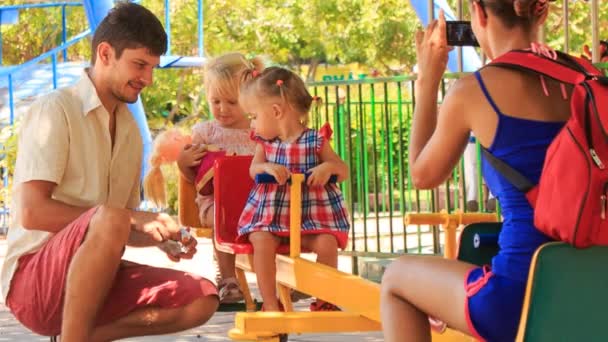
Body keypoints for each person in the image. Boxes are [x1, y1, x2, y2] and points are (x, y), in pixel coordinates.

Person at [0, 3, 219, 341]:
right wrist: (130, 218)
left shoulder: (131, 130)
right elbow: (31, 212)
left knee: (202, 297)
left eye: (153, 68)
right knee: (113, 216)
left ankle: (79, 335)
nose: (148, 79)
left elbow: (115, 230)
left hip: (97, 282)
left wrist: (161, 238)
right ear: (105, 53)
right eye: (139, 64)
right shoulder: (55, 110)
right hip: (34, 283)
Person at [381, 1, 569, 341]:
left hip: (519, 294)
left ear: (479, 14)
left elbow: (423, 175)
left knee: (396, 279)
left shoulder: (475, 90)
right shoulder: (589, 81)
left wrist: (428, 79)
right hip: (592, 281)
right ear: (541, 12)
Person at [237, 66, 350, 312]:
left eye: (254, 116)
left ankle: (324, 299)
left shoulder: (316, 140)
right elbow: (253, 170)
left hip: (308, 219)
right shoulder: (265, 144)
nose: (253, 124)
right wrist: (266, 167)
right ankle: (270, 303)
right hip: (272, 217)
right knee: (261, 240)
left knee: (327, 244)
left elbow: (343, 170)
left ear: (275, 111)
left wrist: (327, 167)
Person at [176, 52, 264, 303]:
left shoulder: (260, 130)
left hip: (255, 202)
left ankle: (277, 275)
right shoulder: (205, 133)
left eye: (231, 102)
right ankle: (227, 279)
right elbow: (194, 178)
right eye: (216, 101)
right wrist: (183, 164)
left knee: (272, 216)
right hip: (216, 202)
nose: (222, 109)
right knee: (221, 216)